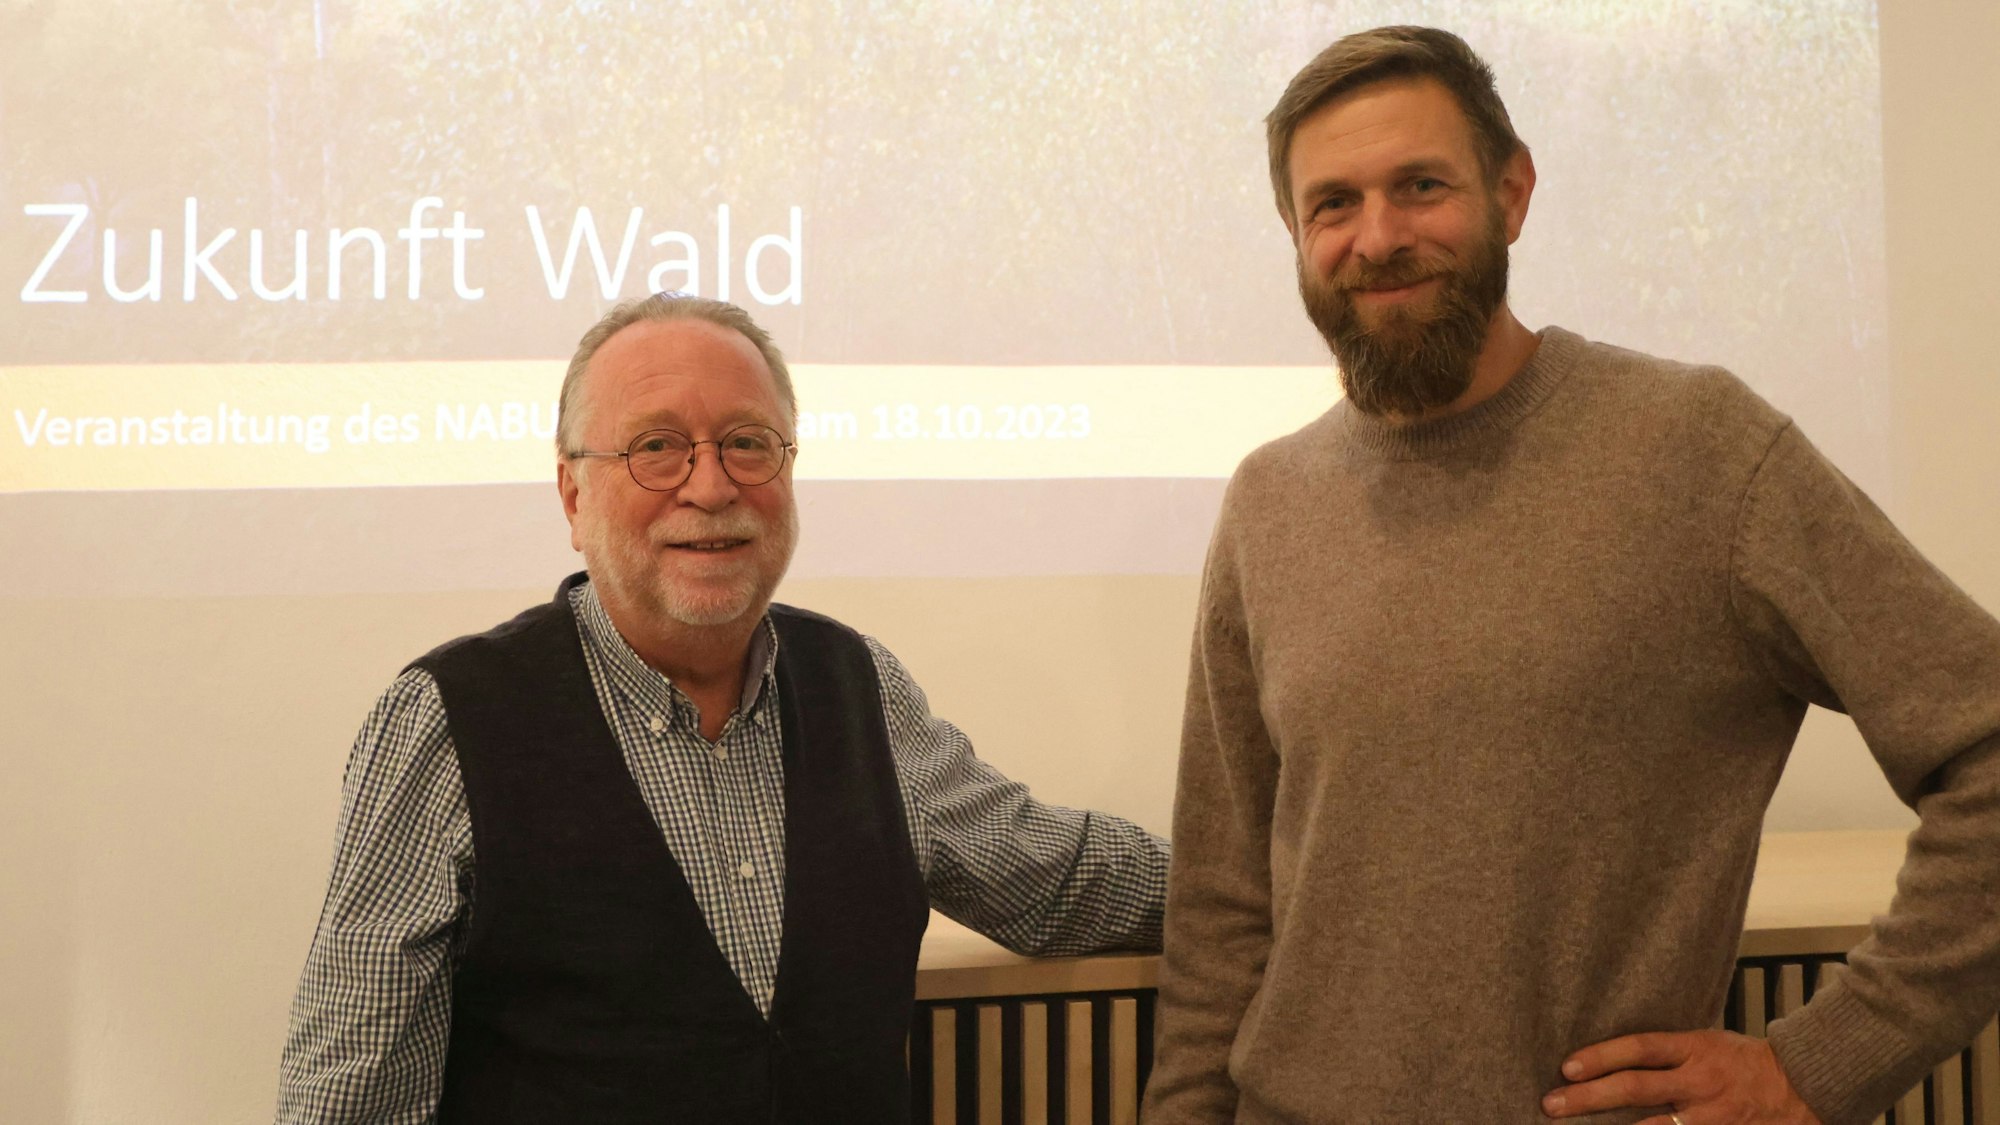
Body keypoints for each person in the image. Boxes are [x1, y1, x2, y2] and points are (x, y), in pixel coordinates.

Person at [1143, 25, 2000, 1125]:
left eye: (1419, 186)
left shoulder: (1698, 450)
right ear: (1294, 232)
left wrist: (1823, 1059)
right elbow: (1221, 908)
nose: (1378, 237)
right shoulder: (1267, 501)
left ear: (1511, 194)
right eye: (1333, 204)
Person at [276, 293, 1169, 1123]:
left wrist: (1280, 882)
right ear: (573, 494)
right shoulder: (444, 723)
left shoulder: (862, 691)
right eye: (656, 447)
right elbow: (354, 1097)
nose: (710, 486)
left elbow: (1060, 881)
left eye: (748, 443)